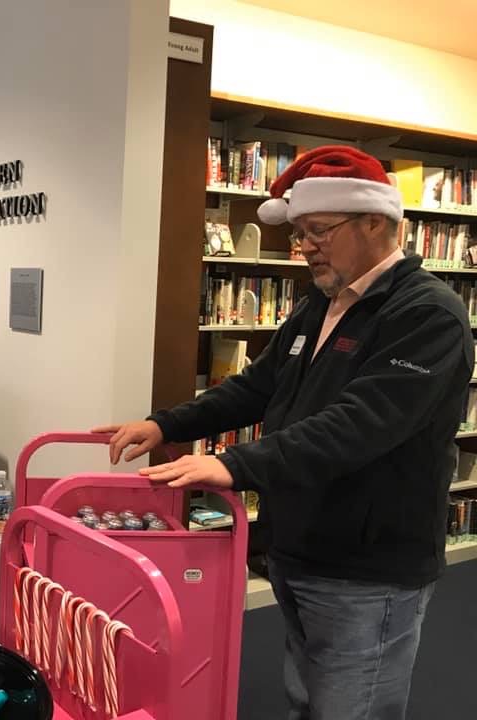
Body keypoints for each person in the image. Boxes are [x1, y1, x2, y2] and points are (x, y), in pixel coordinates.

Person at [97, 146, 474, 720]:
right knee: (306, 698)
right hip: (298, 548)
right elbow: (257, 386)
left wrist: (235, 465)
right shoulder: (319, 304)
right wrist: (166, 423)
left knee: (352, 708)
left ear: (376, 222)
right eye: (300, 232)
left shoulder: (428, 317)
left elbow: (359, 424)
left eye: (319, 230)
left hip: (368, 568)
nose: (305, 246)